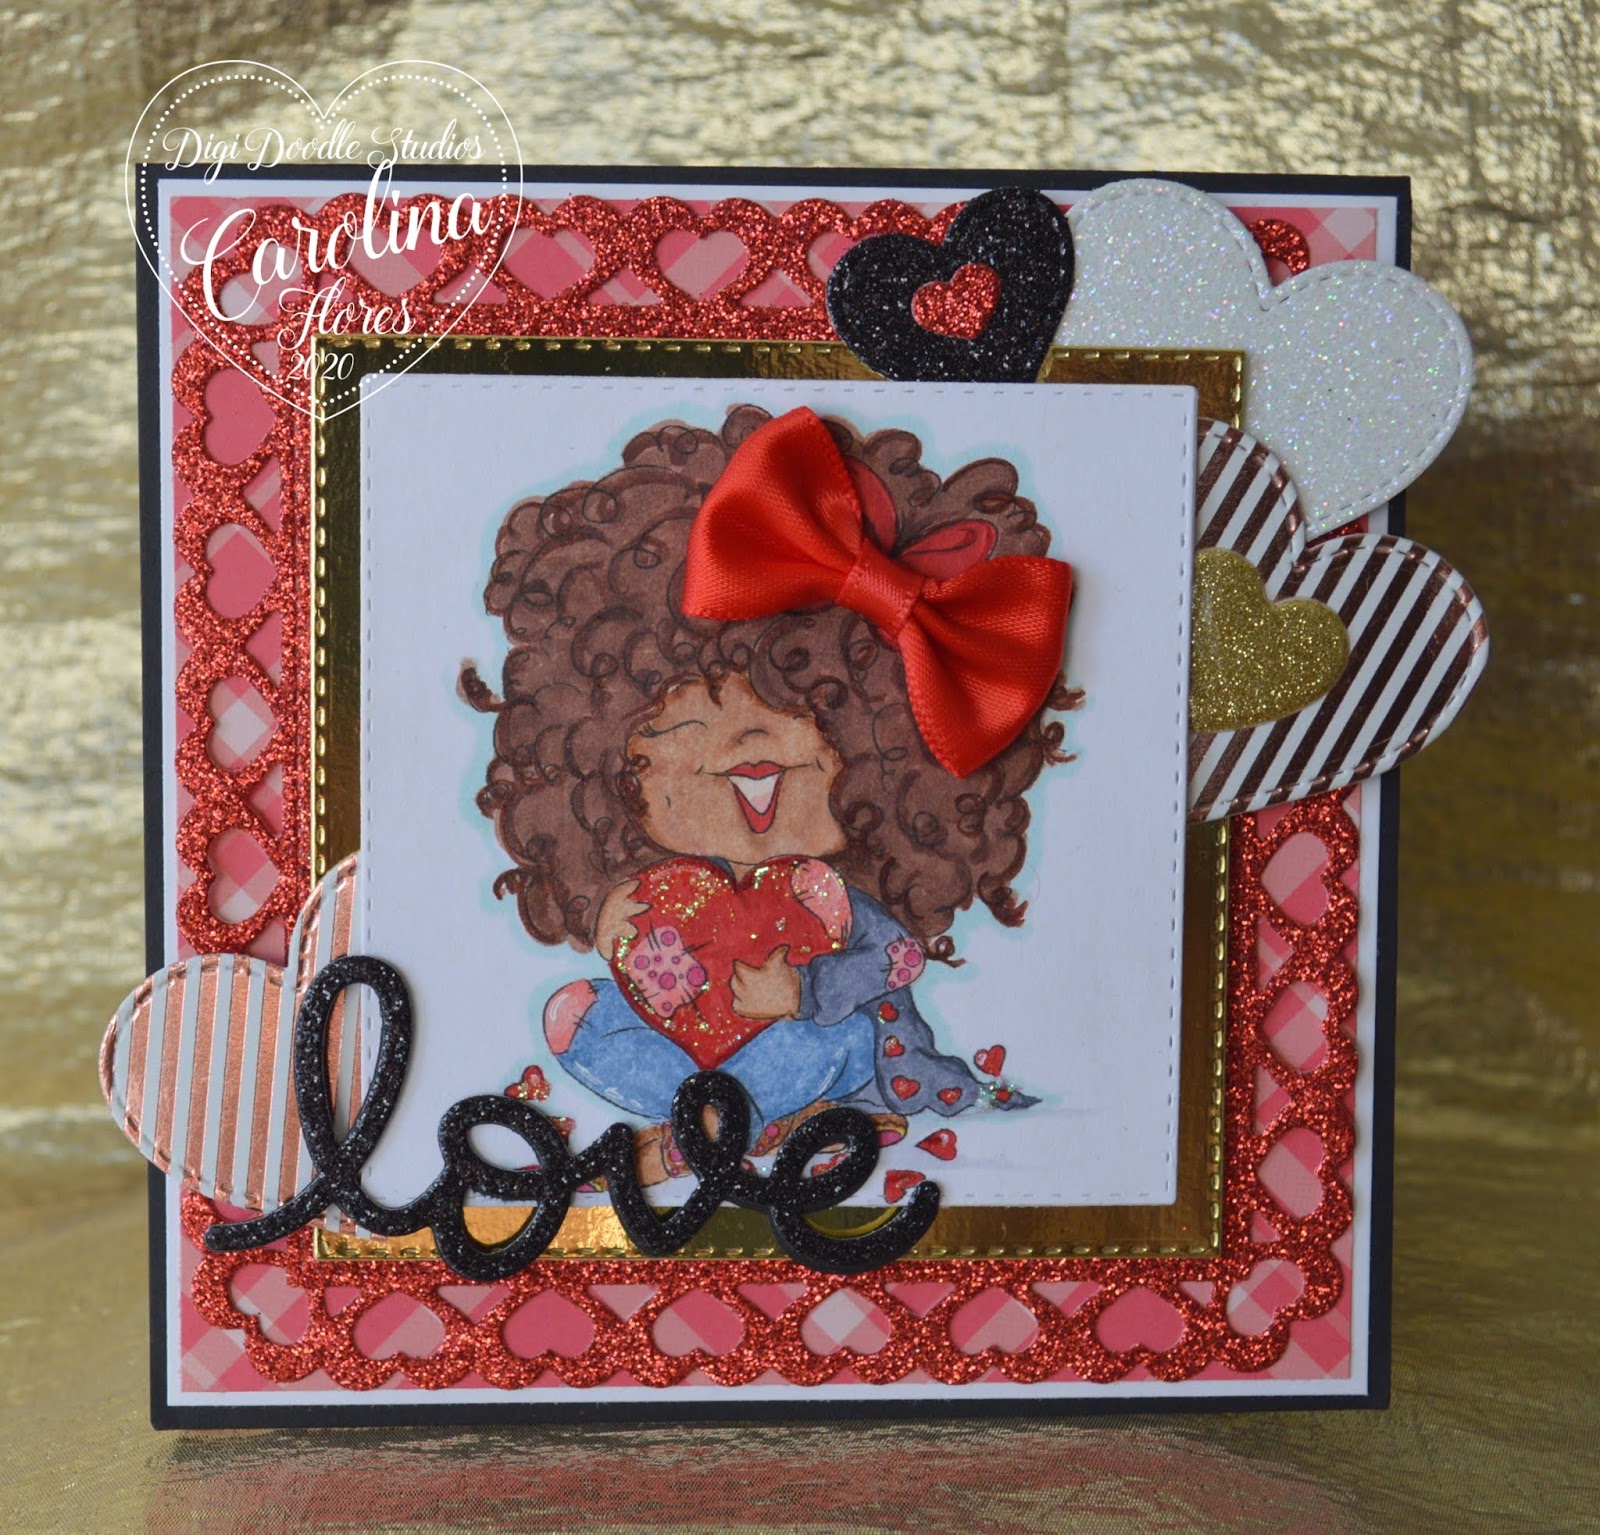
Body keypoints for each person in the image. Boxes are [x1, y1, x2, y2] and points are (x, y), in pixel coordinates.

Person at [463, 404, 1076, 1184]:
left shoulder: (831, 897)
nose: (752, 744)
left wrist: (804, 990)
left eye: (802, 722)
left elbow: (899, 957)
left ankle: (700, 1136)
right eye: (687, 724)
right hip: (698, 1043)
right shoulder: (669, 887)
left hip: (827, 1040)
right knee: (580, 1016)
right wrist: (621, 928)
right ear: (611, 759)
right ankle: (739, 1117)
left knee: (826, 1041)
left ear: (879, 759)